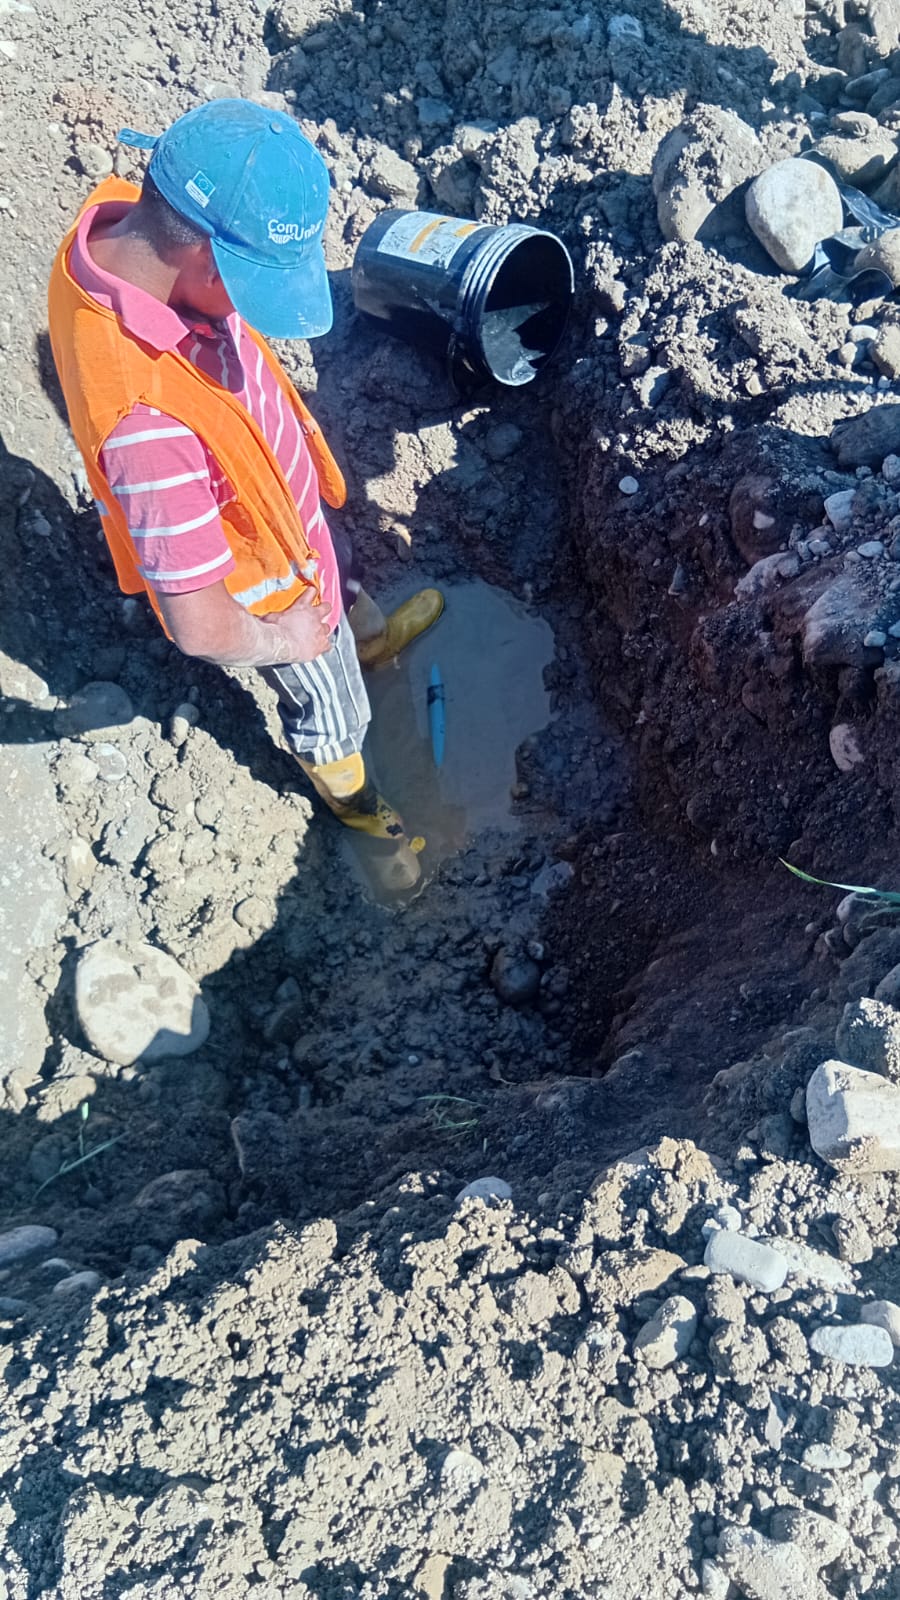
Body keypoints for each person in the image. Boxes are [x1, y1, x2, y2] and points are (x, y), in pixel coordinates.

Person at [48, 98, 443, 885]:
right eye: (255, 284)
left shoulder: (120, 224)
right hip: (273, 593)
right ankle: (364, 813)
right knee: (335, 716)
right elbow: (198, 624)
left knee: (341, 571)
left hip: (282, 518)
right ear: (205, 259)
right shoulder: (146, 427)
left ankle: (364, 640)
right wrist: (285, 639)